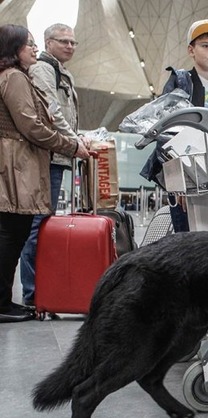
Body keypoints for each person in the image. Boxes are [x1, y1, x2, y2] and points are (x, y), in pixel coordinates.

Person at [0, 24, 90, 323]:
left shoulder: (18, 76)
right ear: (13, 49)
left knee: (17, 231)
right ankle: (8, 301)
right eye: (29, 45)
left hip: (19, 163)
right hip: (16, 166)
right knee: (14, 232)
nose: (34, 50)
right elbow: (32, 126)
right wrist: (69, 145)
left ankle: (7, 300)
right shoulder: (14, 78)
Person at [140, 19, 208, 232]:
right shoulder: (181, 81)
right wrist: (179, 181)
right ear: (191, 50)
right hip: (184, 171)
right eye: (206, 46)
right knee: (186, 237)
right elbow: (167, 129)